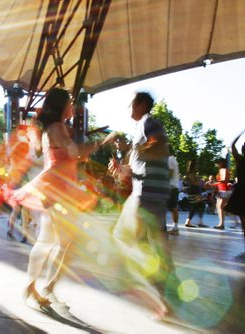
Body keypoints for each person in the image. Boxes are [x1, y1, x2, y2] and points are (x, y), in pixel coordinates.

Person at [10, 88, 99, 311]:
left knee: (52, 240)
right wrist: (96, 144)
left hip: (58, 187)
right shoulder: (57, 127)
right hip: (58, 189)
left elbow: (69, 157)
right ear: (61, 106)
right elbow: (74, 153)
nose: (72, 107)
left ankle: (38, 287)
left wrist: (84, 151)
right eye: (69, 103)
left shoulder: (55, 128)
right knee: (56, 241)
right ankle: (39, 287)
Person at [104, 92, 174, 319]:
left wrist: (133, 150)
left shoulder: (148, 122)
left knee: (130, 240)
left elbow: (160, 145)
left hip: (146, 193)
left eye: (130, 103)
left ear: (141, 104)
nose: (128, 108)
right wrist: (123, 166)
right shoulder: (142, 128)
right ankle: (163, 293)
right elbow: (142, 164)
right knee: (152, 242)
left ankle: (155, 293)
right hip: (150, 190)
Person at [224, 131, 245, 258]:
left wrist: (239, 134)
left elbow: (232, 146)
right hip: (242, 190)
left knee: (243, 220)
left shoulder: (240, 160)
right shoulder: (240, 160)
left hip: (242, 190)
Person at [183, 160, 208, 228]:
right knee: (197, 205)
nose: (198, 165)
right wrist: (199, 180)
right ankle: (190, 221)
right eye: (196, 164)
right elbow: (194, 183)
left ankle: (198, 221)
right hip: (194, 190)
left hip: (193, 190)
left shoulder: (189, 173)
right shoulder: (191, 174)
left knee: (198, 205)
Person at [213, 158, 232, 229]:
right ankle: (221, 223)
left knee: (221, 207)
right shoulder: (221, 170)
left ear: (221, 163)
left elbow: (225, 180)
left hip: (225, 190)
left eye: (217, 162)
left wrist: (214, 184)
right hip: (221, 190)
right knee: (219, 207)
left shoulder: (224, 170)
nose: (216, 164)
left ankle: (222, 224)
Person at [166, 152, 180, 234]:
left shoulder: (169, 159)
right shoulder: (173, 159)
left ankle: (175, 228)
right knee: (173, 207)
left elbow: (170, 174)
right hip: (173, 186)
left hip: (170, 186)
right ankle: (175, 228)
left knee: (173, 208)